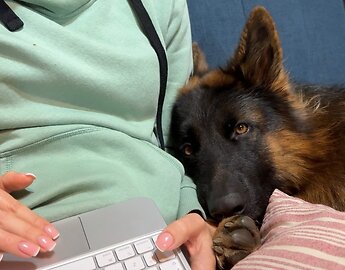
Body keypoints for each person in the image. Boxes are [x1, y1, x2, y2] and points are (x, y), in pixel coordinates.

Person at [0, 0, 215, 269]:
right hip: (24, 237)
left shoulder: (162, 5)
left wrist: (192, 214)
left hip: (153, 238)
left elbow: (170, 141)